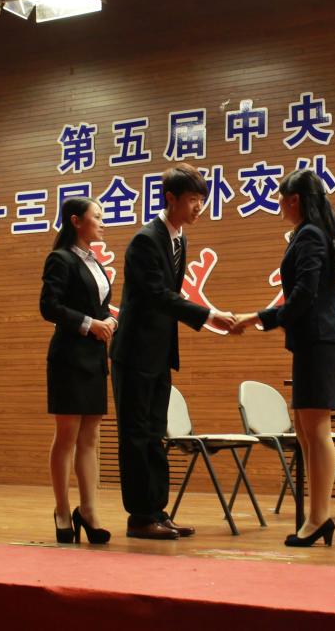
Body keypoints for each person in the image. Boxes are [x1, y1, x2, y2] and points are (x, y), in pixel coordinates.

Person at [110, 163, 238, 539]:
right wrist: (208, 315)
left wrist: (205, 316)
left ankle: (157, 511)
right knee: (136, 436)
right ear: (171, 198)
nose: (199, 207)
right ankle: (139, 517)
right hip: (135, 353)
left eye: (202, 200)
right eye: (193, 199)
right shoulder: (146, 240)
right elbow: (158, 296)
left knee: (155, 434)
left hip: (159, 353)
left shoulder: (178, 240)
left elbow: (170, 298)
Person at [233, 168, 335, 547]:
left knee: (316, 431)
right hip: (312, 341)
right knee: (305, 431)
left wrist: (259, 318)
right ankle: (316, 517)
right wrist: (261, 318)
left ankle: (319, 518)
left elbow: (304, 294)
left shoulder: (311, 235)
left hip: (320, 341)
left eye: (281, 199)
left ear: (294, 199)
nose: (279, 205)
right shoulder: (311, 232)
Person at [39, 197, 115, 545]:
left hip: (95, 357)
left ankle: (88, 511)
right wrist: (89, 324)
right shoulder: (61, 258)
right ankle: (61, 510)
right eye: (96, 216)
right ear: (75, 221)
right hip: (69, 357)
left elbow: (99, 307)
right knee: (67, 435)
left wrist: (110, 321)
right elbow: (49, 306)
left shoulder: (94, 261)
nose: (102, 222)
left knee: (91, 437)